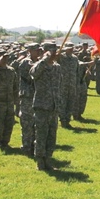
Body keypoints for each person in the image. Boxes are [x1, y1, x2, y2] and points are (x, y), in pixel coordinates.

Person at [31, 42, 62, 171]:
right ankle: (40, 161)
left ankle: (48, 159)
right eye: (51, 51)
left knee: (51, 136)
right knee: (41, 135)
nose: (54, 53)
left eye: (55, 51)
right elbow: (33, 73)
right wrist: (44, 60)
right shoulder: (39, 66)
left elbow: (59, 85)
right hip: (41, 106)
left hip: (53, 107)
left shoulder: (57, 67)